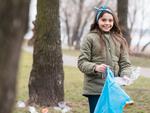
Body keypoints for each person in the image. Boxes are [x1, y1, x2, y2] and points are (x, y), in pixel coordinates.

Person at [77, 6, 132, 113]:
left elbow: (125, 63)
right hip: (95, 89)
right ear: (97, 21)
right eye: (103, 20)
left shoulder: (119, 39)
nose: (107, 23)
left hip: (114, 88)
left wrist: (125, 75)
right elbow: (81, 62)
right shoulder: (90, 38)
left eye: (110, 20)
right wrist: (96, 67)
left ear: (114, 22)